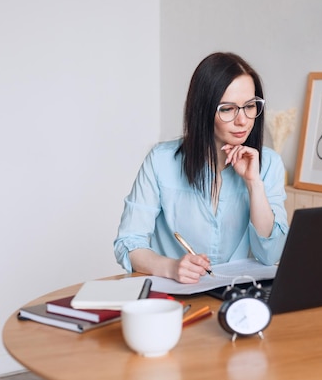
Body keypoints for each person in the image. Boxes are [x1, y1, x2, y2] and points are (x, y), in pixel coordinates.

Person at [113, 52, 289, 283]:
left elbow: (271, 254)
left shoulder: (269, 164)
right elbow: (128, 243)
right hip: (174, 296)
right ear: (203, 110)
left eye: (250, 106)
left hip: (240, 296)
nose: (243, 120)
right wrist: (172, 268)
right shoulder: (160, 161)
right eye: (227, 109)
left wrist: (254, 184)